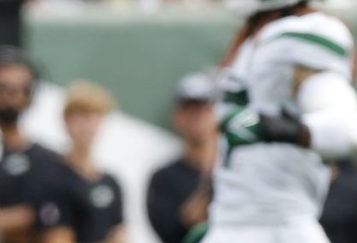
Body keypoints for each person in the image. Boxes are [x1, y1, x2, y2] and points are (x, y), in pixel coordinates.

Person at [203, 0, 357, 243]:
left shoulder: (301, 33)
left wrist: (272, 127)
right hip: (235, 222)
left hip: (276, 228)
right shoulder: (257, 34)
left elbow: (348, 131)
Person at [37, 80, 126, 243]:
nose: (88, 125)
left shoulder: (112, 183)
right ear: (66, 120)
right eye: (82, 116)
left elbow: (121, 233)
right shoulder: (51, 176)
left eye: (96, 116)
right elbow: (56, 237)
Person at [0, 46, 63, 243]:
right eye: (2, 87)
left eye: (19, 89)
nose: (10, 96)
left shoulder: (48, 161)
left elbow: (47, 217)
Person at [147, 72, 218, 243]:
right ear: (177, 117)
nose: (197, 118)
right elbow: (169, 234)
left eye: (204, 110)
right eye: (190, 111)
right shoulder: (163, 178)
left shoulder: (235, 169)